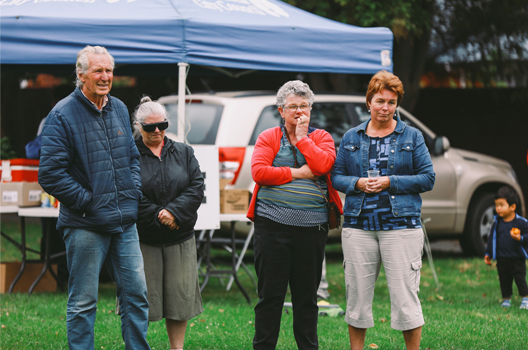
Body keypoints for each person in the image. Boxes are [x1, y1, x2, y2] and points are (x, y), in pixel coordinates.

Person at [38, 45, 150, 350]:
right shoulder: (61, 115)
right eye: (98, 71)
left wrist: (133, 193)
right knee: (84, 301)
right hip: (85, 223)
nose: (105, 77)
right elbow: (49, 174)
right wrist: (89, 201)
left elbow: (131, 157)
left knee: (136, 295)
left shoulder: (120, 108)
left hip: (124, 220)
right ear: (80, 74)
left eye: (109, 71)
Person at [331, 70, 435, 350]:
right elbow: (336, 176)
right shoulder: (352, 136)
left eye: (391, 102)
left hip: (401, 227)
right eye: (380, 101)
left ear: (397, 104)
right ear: (369, 102)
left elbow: (428, 178)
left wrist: (391, 182)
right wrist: (358, 183)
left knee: (405, 299)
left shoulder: (412, 136)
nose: (385, 108)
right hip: (358, 227)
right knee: (357, 299)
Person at [247, 80, 343, 350]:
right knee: (270, 296)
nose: (300, 112)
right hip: (272, 227)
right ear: (281, 110)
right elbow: (260, 173)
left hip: (312, 229)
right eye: (293, 107)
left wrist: (302, 139)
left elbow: (324, 165)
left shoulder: (321, 137)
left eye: (305, 106)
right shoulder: (269, 137)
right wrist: (298, 173)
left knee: (306, 298)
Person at [132, 96, 205, 349]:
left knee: (179, 299)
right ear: (138, 126)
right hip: (143, 239)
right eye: (150, 127)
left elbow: (196, 187)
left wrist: (174, 213)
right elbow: (129, 192)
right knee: (141, 298)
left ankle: (177, 348)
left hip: (180, 237)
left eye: (161, 125)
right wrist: (157, 216)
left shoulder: (184, 151)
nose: (157, 131)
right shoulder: (128, 154)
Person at [484, 186, 528, 309]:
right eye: (496, 205)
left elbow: (527, 235)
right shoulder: (497, 223)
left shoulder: (521, 222)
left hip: (517, 258)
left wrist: (521, 238)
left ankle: (525, 297)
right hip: (502, 258)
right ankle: (506, 299)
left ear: (512, 207)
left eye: (501, 205)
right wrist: (488, 253)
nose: (498, 208)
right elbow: (492, 239)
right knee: (504, 280)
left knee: (520, 279)